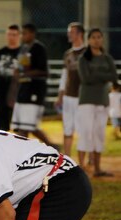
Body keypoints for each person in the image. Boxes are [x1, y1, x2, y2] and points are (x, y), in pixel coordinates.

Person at [77, 28, 119, 177]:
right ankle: (81, 168)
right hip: (87, 100)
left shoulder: (107, 58)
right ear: (89, 40)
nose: (96, 40)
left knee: (99, 134)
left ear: (102, 39)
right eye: (93, 37)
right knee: (86, 132)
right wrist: (104, 76)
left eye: (99, 37)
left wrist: (96, 74)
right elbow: (85, 79)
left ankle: (97, 168)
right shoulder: (83, 58)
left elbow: (114, 76)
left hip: (102, 100)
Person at [11, 24, 54, 146]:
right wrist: (18, 73)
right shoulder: (24, 49)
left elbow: (44, 71)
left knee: (28, 126)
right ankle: (47, 146)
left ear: (32, 34)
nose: (22, 36)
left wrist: (25, 73)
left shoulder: (38, 48)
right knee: (21, 126)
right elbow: (21, 68)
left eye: (25, 33)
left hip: (34, 91)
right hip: (23, 90)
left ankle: (50, 146)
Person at [55, 22, 86, 157]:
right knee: (67, 128)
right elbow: (64, 75)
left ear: (80, 34)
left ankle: (85, 160)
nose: (69, 34)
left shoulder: (87, 53)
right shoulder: (68, 54)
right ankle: (67, 158)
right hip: (68, 96)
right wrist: (60, 95)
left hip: (83, 97)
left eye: (72, 32)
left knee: (83, 129)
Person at [0, 25, 21, 131]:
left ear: (19, 36)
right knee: (0, 127)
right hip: (1, 94)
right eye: (9, 34)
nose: (11, 37)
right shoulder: (0, 52)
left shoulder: (23, 52)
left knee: (17, 128)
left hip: (17, 94)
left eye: (14, 35)